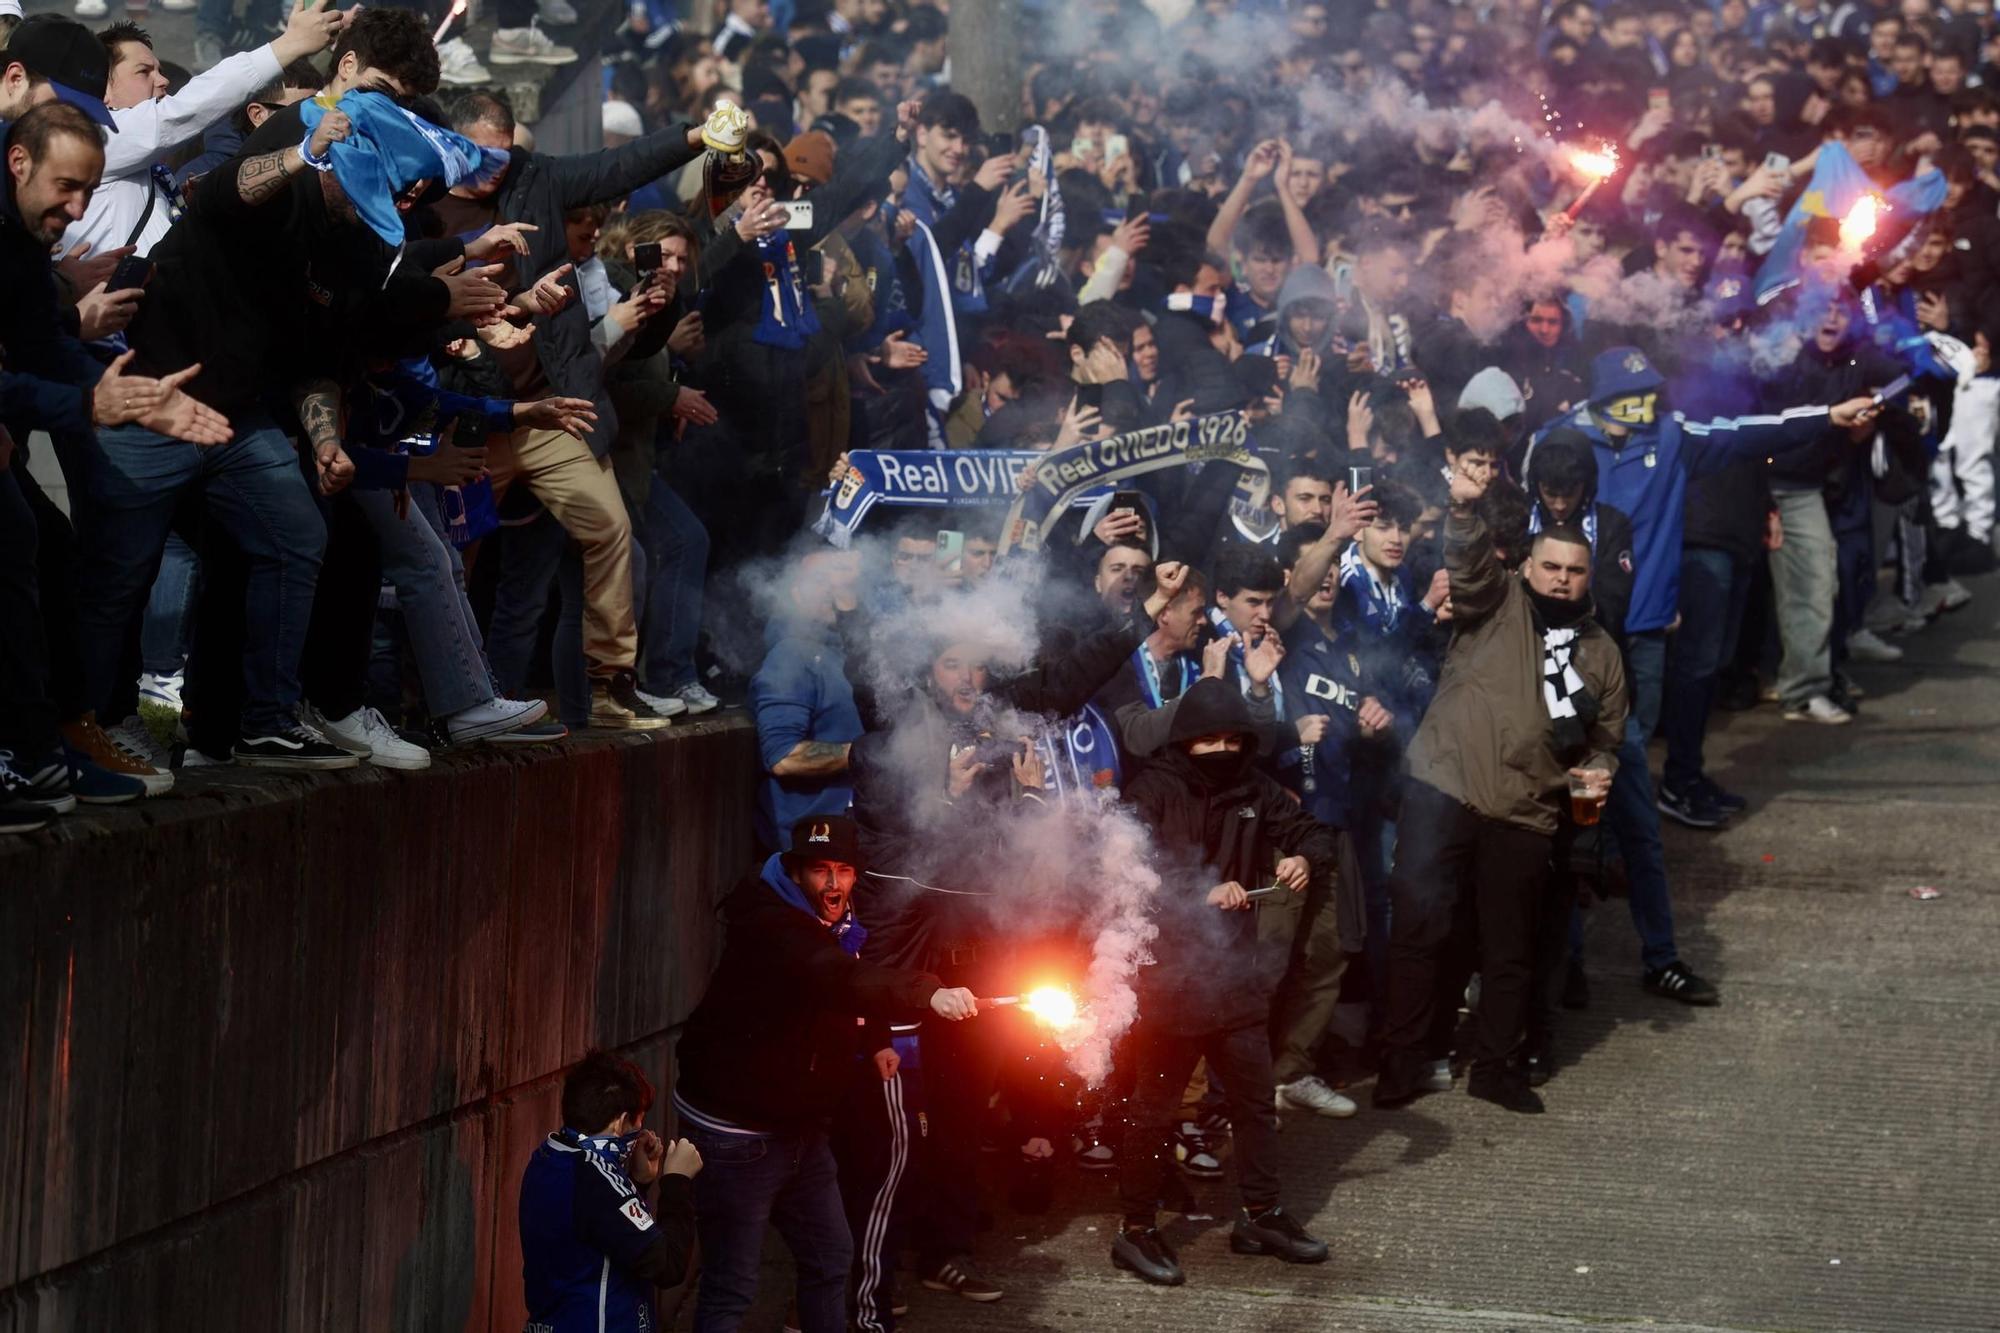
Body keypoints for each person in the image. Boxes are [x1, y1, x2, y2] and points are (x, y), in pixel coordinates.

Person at [1374, 463, 1627, 1115]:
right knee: (1421, 931)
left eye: (1575, 570)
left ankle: (1496, 1066)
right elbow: (1468, 563)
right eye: (1552, 567)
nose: (1562, 579)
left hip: (1526, 808)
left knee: (1510, 950)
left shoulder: (1600, 651)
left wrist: (1593, 787)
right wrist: (1463, 511)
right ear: (1530, 567)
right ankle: (1401, 1061)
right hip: (1445, 783)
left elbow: (1606, 740)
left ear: (1587, 575)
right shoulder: (1496, 598)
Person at [672, 815, 980, 1332]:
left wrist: (876, 1038)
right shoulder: (775, 926)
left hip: (799, 1127)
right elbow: (835, 976)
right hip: (737, 1134)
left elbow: (849, 983)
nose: (834, 885)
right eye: (820, 872)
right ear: (795, 874)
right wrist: (929, 991)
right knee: (732, 1286)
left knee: (830, 1260)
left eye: (844, 870)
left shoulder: (832, 918)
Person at [1112, 677, 1337, 1287]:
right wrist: (1196, 893)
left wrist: (1300, 859)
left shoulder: (1255, 789)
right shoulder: (1152, 790)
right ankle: (1135, 1228)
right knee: (1152, 1109)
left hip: (1234, 979)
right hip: (1170, 979)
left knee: (1254, 1104)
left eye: (1230, 738)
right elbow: (1124, 867)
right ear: (1184, 739)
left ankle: (1261, 1215)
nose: (1219, 749)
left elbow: (1315, 832)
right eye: (1206, 738)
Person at [518, 1050, 701, 1333]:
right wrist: (677, 1181)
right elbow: (667, 1265)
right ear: (620, 1121)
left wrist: (637, 1182)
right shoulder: (595, 1176)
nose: (641, 1131)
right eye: (639, 1120)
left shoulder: (548, 1157)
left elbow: (601, 1228)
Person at [751, 548, 866, 853]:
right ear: (795, 595)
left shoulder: (846, 655)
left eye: (840, 578)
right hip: (810, 846)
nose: (831, 588)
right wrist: (864, 753)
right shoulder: (792, 654)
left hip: (849, 834)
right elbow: (783, 757)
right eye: (818, 580)